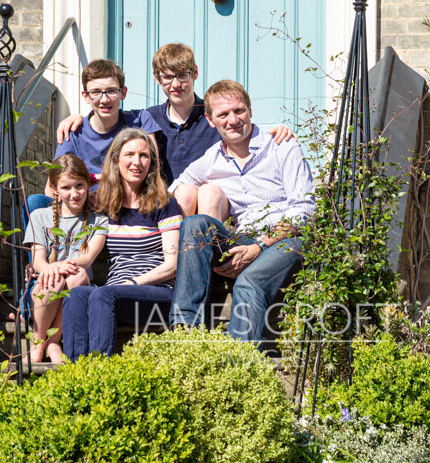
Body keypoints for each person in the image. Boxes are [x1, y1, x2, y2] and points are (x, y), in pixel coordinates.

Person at [56, 44, 295, 214]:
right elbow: (108, 111)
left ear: (195, 74)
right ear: (158, 80)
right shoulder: (148, 118)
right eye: (167, 78)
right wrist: (77, 117)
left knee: (195, 192)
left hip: (210, 201)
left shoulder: (214, 115)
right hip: (167, 199)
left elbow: (240, 128)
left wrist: (279, 131)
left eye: (182, 76)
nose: (176, 84)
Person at [169, 80, 314, 348]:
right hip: (242, 239)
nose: (233, 120)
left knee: (248, 283)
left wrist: (260, 246)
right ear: (211, 121)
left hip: (286, 241)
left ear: (250, 111)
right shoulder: (211, 159)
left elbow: (304, 211)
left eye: (239, 111)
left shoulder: (281, 146)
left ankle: (240, 366)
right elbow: (174, 190)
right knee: (196, 223)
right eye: (223, 114)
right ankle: (185, 333)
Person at [61, 127, 182, 360]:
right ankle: (74, 376)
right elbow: (63, 195)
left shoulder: (164, 203)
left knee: (101, 295)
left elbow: (173, 264)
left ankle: (100, 372)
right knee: (75, 295)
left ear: (152, 163)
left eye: (144, 155)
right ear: (116, 160)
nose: (137, 162)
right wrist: (45, 263)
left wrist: (132, 283)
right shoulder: (105, 204)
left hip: (156, 294)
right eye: (129, 155)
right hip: (112, 294)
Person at [24, 58, 157, 222]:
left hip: (126, 202)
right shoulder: (73, 132)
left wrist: (107, 190)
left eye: (111, 91)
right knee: (35, 202)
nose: (104, 99)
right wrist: (85, 196)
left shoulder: (139, 120)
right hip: (83, 206)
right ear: (85, 96)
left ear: (123, 93)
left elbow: (151, 166)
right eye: (96, 92)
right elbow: (51, 188)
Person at [23, 154, 108, 363]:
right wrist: (51, 269)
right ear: (54, 189)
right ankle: (39, 339)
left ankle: (54, 340)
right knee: (53, 279)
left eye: (79, 186)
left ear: (88, 184)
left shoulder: (99, 220)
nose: (74, 194)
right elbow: (38, 261)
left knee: (76, 276)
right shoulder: (39, 217)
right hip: (43, 286)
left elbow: (87, 259)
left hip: (78, 283)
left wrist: (58, 266)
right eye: (66, 188)